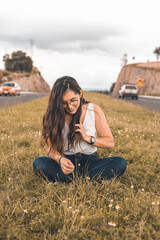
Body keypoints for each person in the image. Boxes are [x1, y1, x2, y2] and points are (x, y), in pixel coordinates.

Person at [33, 76, 126, 183]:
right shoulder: (52, 116)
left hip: (90, 161)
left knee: (119, 162)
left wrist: (87, 138)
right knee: (39, 163)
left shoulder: (93, 110)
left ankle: (74, 181)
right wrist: (60, 160)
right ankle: (86, 180)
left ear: (80, 93)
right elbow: (51, 150)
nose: (70, 106)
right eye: (64, 103)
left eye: (73, 100)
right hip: (66, 162)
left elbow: (109, 142)